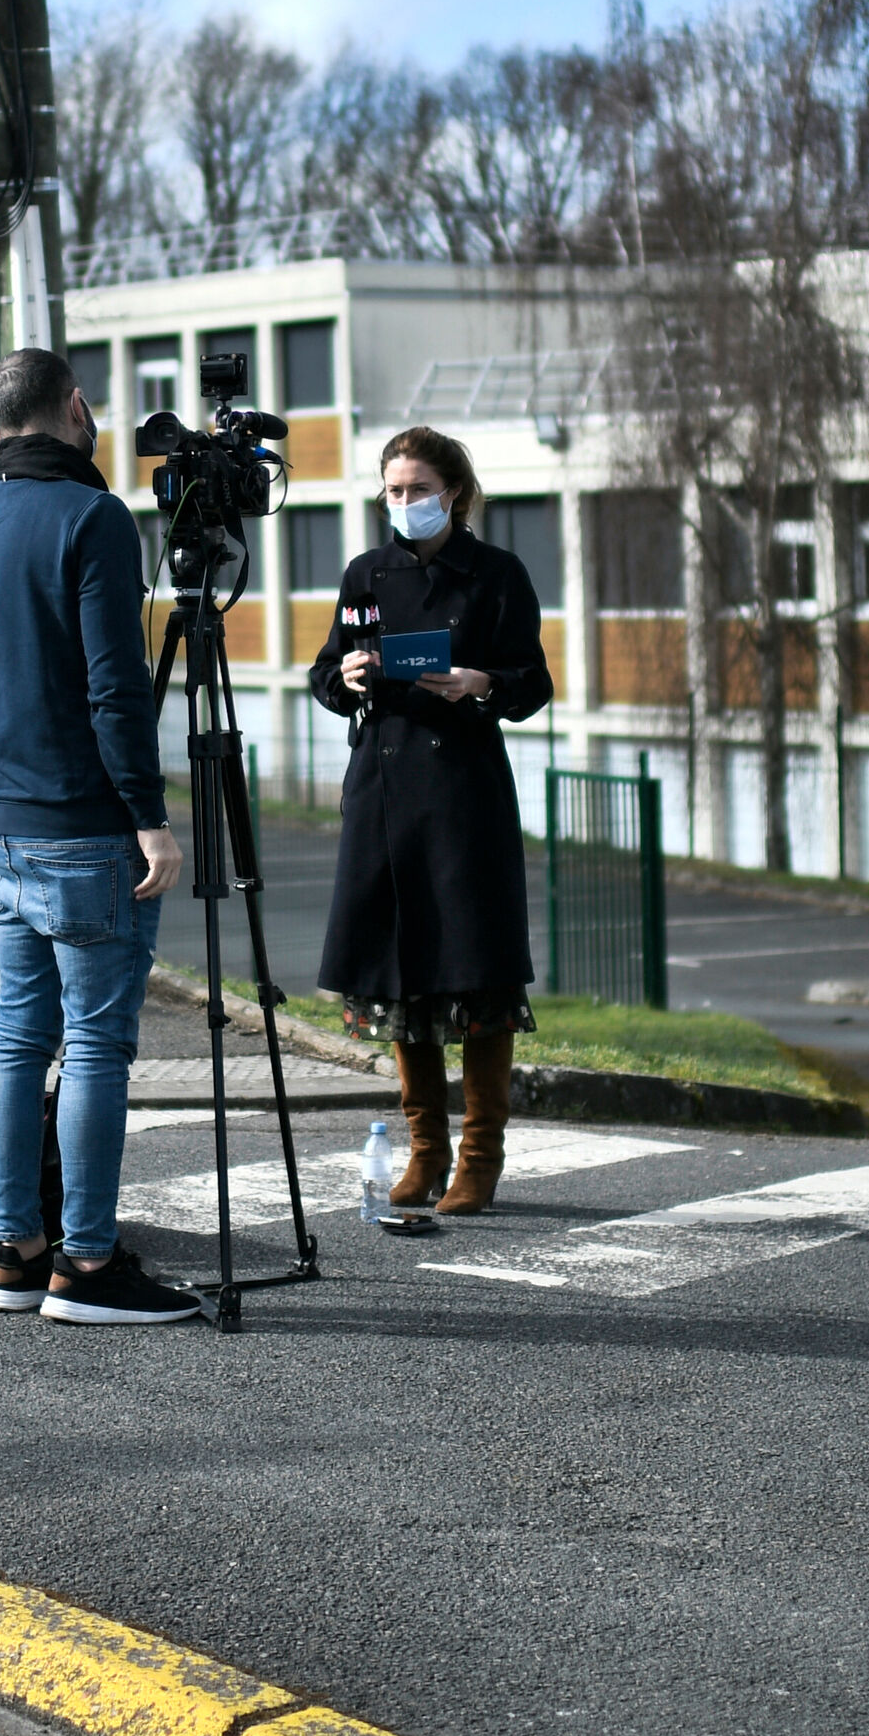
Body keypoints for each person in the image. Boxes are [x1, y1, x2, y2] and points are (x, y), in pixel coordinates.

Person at [0, 347, 200, 1326]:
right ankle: (87, 1265)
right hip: (88, 827)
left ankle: (15, 1253)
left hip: (7, 826)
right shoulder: (95, 519)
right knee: (93, 1045)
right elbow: (114, 688)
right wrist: (149, 818)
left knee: (18, 1037)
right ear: (75, 409)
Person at [311, 425, 553, 1216]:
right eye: (394, 490)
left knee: (478, 970)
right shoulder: (366, 572)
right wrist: (346, 676)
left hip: (464, 796)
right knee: (400, 972)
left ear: (454, 492)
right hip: (383, 793)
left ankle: (480, 1158)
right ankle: (425, 1150)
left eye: (418, 489)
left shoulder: (497, 573)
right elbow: (325, 671)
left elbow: (532, 681)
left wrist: (481, 682)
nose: (405, 501)